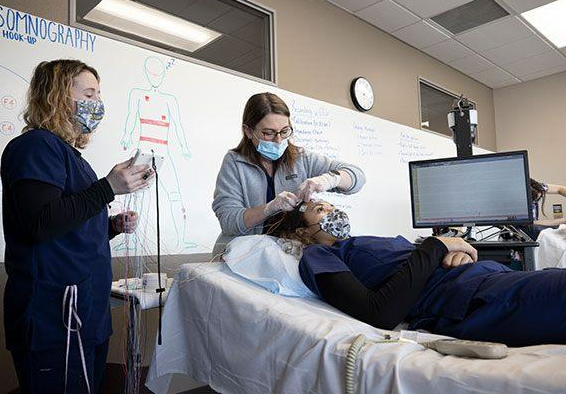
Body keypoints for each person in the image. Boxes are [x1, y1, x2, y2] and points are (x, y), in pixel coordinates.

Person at [1, 59, 153, 393]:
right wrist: (108, 187)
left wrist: (111, 225)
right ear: (56, 97)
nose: (97, 103)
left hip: (83, 313)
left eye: (98, 94)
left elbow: (67, 225)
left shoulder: (68, 156)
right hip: (54, 317)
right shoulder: (35, 146)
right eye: (89, 93)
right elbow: (38, 224)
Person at [269, 200, 566, 347]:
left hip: (484, 280)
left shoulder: (358, 243)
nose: (332, 211)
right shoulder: (319, 255)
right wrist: (436, 246)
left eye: (331, 204)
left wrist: (453, 255)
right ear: (300, 230)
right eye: (320, 209)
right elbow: (379, 312)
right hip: (472, 299)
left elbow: (415, 267)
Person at [212, 92, 365, 255]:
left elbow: (357, 177)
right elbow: (229, 221)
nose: (278, 140)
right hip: (241, 255)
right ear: (249, 131)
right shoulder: (235, 164)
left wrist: (329, 179)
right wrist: (270, 208)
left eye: (284, 131)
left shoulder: (302, 158)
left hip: (284, 255)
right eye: (268, 133)